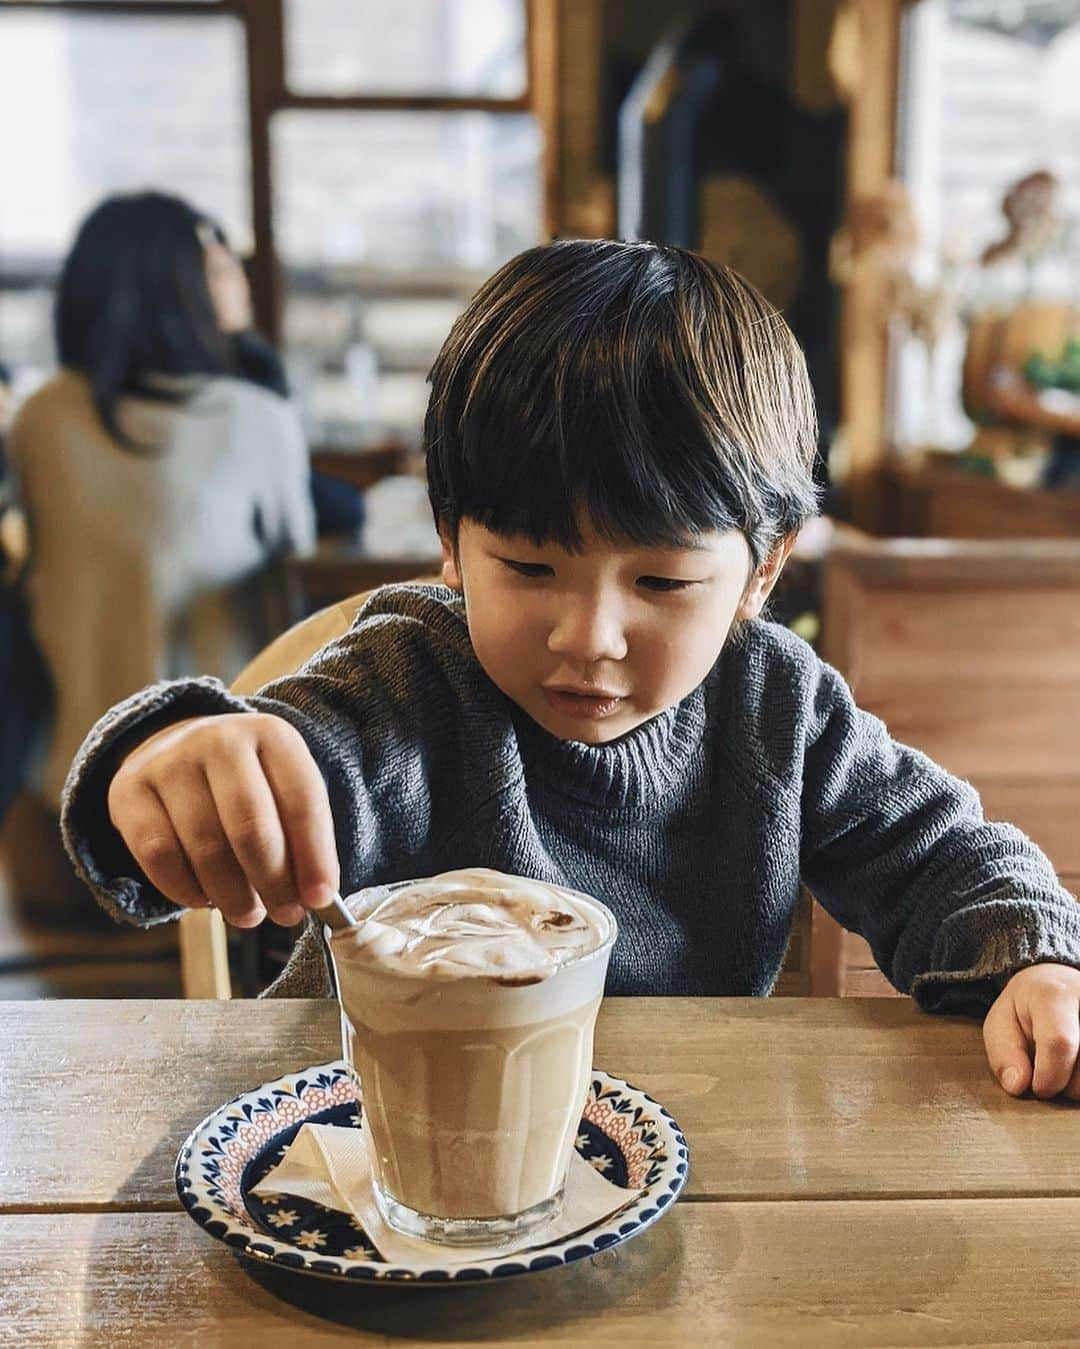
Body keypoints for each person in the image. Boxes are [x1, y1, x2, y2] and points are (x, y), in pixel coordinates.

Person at [62, 239, 1080, 1101]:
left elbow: (941, 852)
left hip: (671, 1163)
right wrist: (177, 755)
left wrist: (1035, 955)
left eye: (664, 581)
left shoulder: (779, 707)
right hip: (371, 1154)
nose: (590, 635)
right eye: (531, 567)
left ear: (761, 570)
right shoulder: (413, 678)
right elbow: (285, 755)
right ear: (452, 544)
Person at [8, 191, 315, 813]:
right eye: (218, 263)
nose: (238, 281)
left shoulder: (39, 418)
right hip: (221, 764)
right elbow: (300, 556)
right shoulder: (254, 416)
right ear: (182, 285)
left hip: (67, 768)